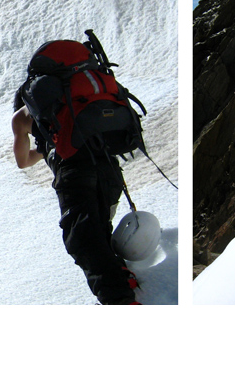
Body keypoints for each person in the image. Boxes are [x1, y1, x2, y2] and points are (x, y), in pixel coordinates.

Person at [12, 92, 140, 305]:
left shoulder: (22, 116)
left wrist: (45, 145)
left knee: (82, 239)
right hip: (109, 168)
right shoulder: (78, 99)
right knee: (99, 228)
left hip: (74, 173)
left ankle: (121, 301)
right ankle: (124, 278)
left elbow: (23, 161)